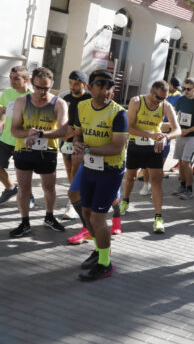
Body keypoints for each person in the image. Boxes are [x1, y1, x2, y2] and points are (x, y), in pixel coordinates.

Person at [71, 70, 129, 281]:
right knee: (86, 213)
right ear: (89, 87)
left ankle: (106, 263)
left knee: (97, 218)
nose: (105, 90)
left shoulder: (119, 113)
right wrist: (77, 142)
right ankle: (99, 250)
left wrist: (86, 150)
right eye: (100, 85)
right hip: (89, 168)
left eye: (109, 87)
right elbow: (78, 133)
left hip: (110, 171)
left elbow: (116, 147)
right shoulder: (82, 106)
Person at [8, 67, 69, 237]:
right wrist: (28, 133)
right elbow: (14, 130)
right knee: (23, 189)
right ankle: (24, 222)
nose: (42, 92)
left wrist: (41, 134)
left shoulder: (59, 103)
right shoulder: (21, 101)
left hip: (47, 152)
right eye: (38, 87)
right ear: (31, 83)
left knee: (48, 187)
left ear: (52, 85)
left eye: (46, 88)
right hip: (24, 150)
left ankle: (49, 217)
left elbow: (63, 131)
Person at [119, 81, 180, 233]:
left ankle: (158, 218)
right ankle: (125, 201)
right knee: (131, 177)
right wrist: (150, 134)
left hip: (154, 148)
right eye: (158, 97)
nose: (159, 101)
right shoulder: (136, 101)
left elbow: (178, 129)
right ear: (151, 91)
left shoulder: (165, 105)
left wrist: (166, 138)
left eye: (163, 98)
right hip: (136, 146)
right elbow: (129, 127)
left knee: (156, 182)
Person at [59, 70, 90, 220]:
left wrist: (75, 133)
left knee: (80, 172)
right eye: (71, 83)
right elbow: (58, 119)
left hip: (84, 141)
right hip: (66, 140)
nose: (73, 86)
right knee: (70, 172)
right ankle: (72, 202)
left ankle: (81, 201)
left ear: (84, 84)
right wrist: (64, 134)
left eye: (76, 84)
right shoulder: (64, 97)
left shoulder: (90, 97)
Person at [0, 66, 32, 206]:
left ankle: (28, 195)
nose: (12, 81)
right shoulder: (6, 93)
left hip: (23, 141)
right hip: (5, 138)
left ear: (26, 80)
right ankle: (10, 188)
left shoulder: (32, 96)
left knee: (24, 173)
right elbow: (2, 115)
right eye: (11, 78)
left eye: (16, 79)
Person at [173, 78, 194, 200]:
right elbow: (175, 115)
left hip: (193, 136)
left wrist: (188, 130)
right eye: (184, 88)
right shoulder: (181, 99)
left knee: (186, 162)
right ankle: (182, 186)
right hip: (180, 135)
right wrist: (175, 128)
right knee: (181, 163)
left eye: (188, 89)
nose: (185, 91)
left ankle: (189, 189)